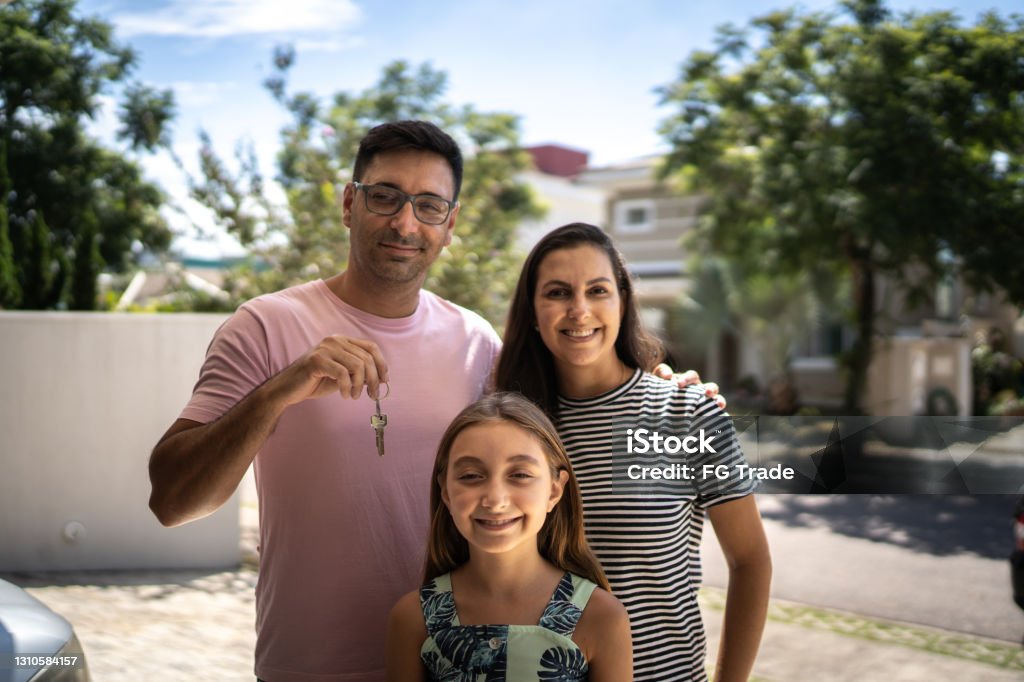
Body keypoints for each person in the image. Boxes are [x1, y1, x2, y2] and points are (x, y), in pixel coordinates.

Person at [148, 120, 721, 681]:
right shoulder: (265, 326)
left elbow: (558, 424)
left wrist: (659, 388)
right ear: (349, 204)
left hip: (452, 660)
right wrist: (279, 391)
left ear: (450, 225)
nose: (404, 221)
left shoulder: (475, 342)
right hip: (311, 664)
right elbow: (173, 502)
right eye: (385, 197)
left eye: (428, 205)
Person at [494, 223, 772, 682]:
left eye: (597, 290)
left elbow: (750, 560)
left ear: (622, 300)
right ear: (532, 311)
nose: (579, 310)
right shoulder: (513, 428)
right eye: (558, 292)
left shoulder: (687, 413)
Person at [385, 392, 632, 681]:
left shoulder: (601, 616)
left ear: (555, 490)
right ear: (445, 492)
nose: (495, 499)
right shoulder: (412, 618)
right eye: (471, 476)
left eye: (520, 474)